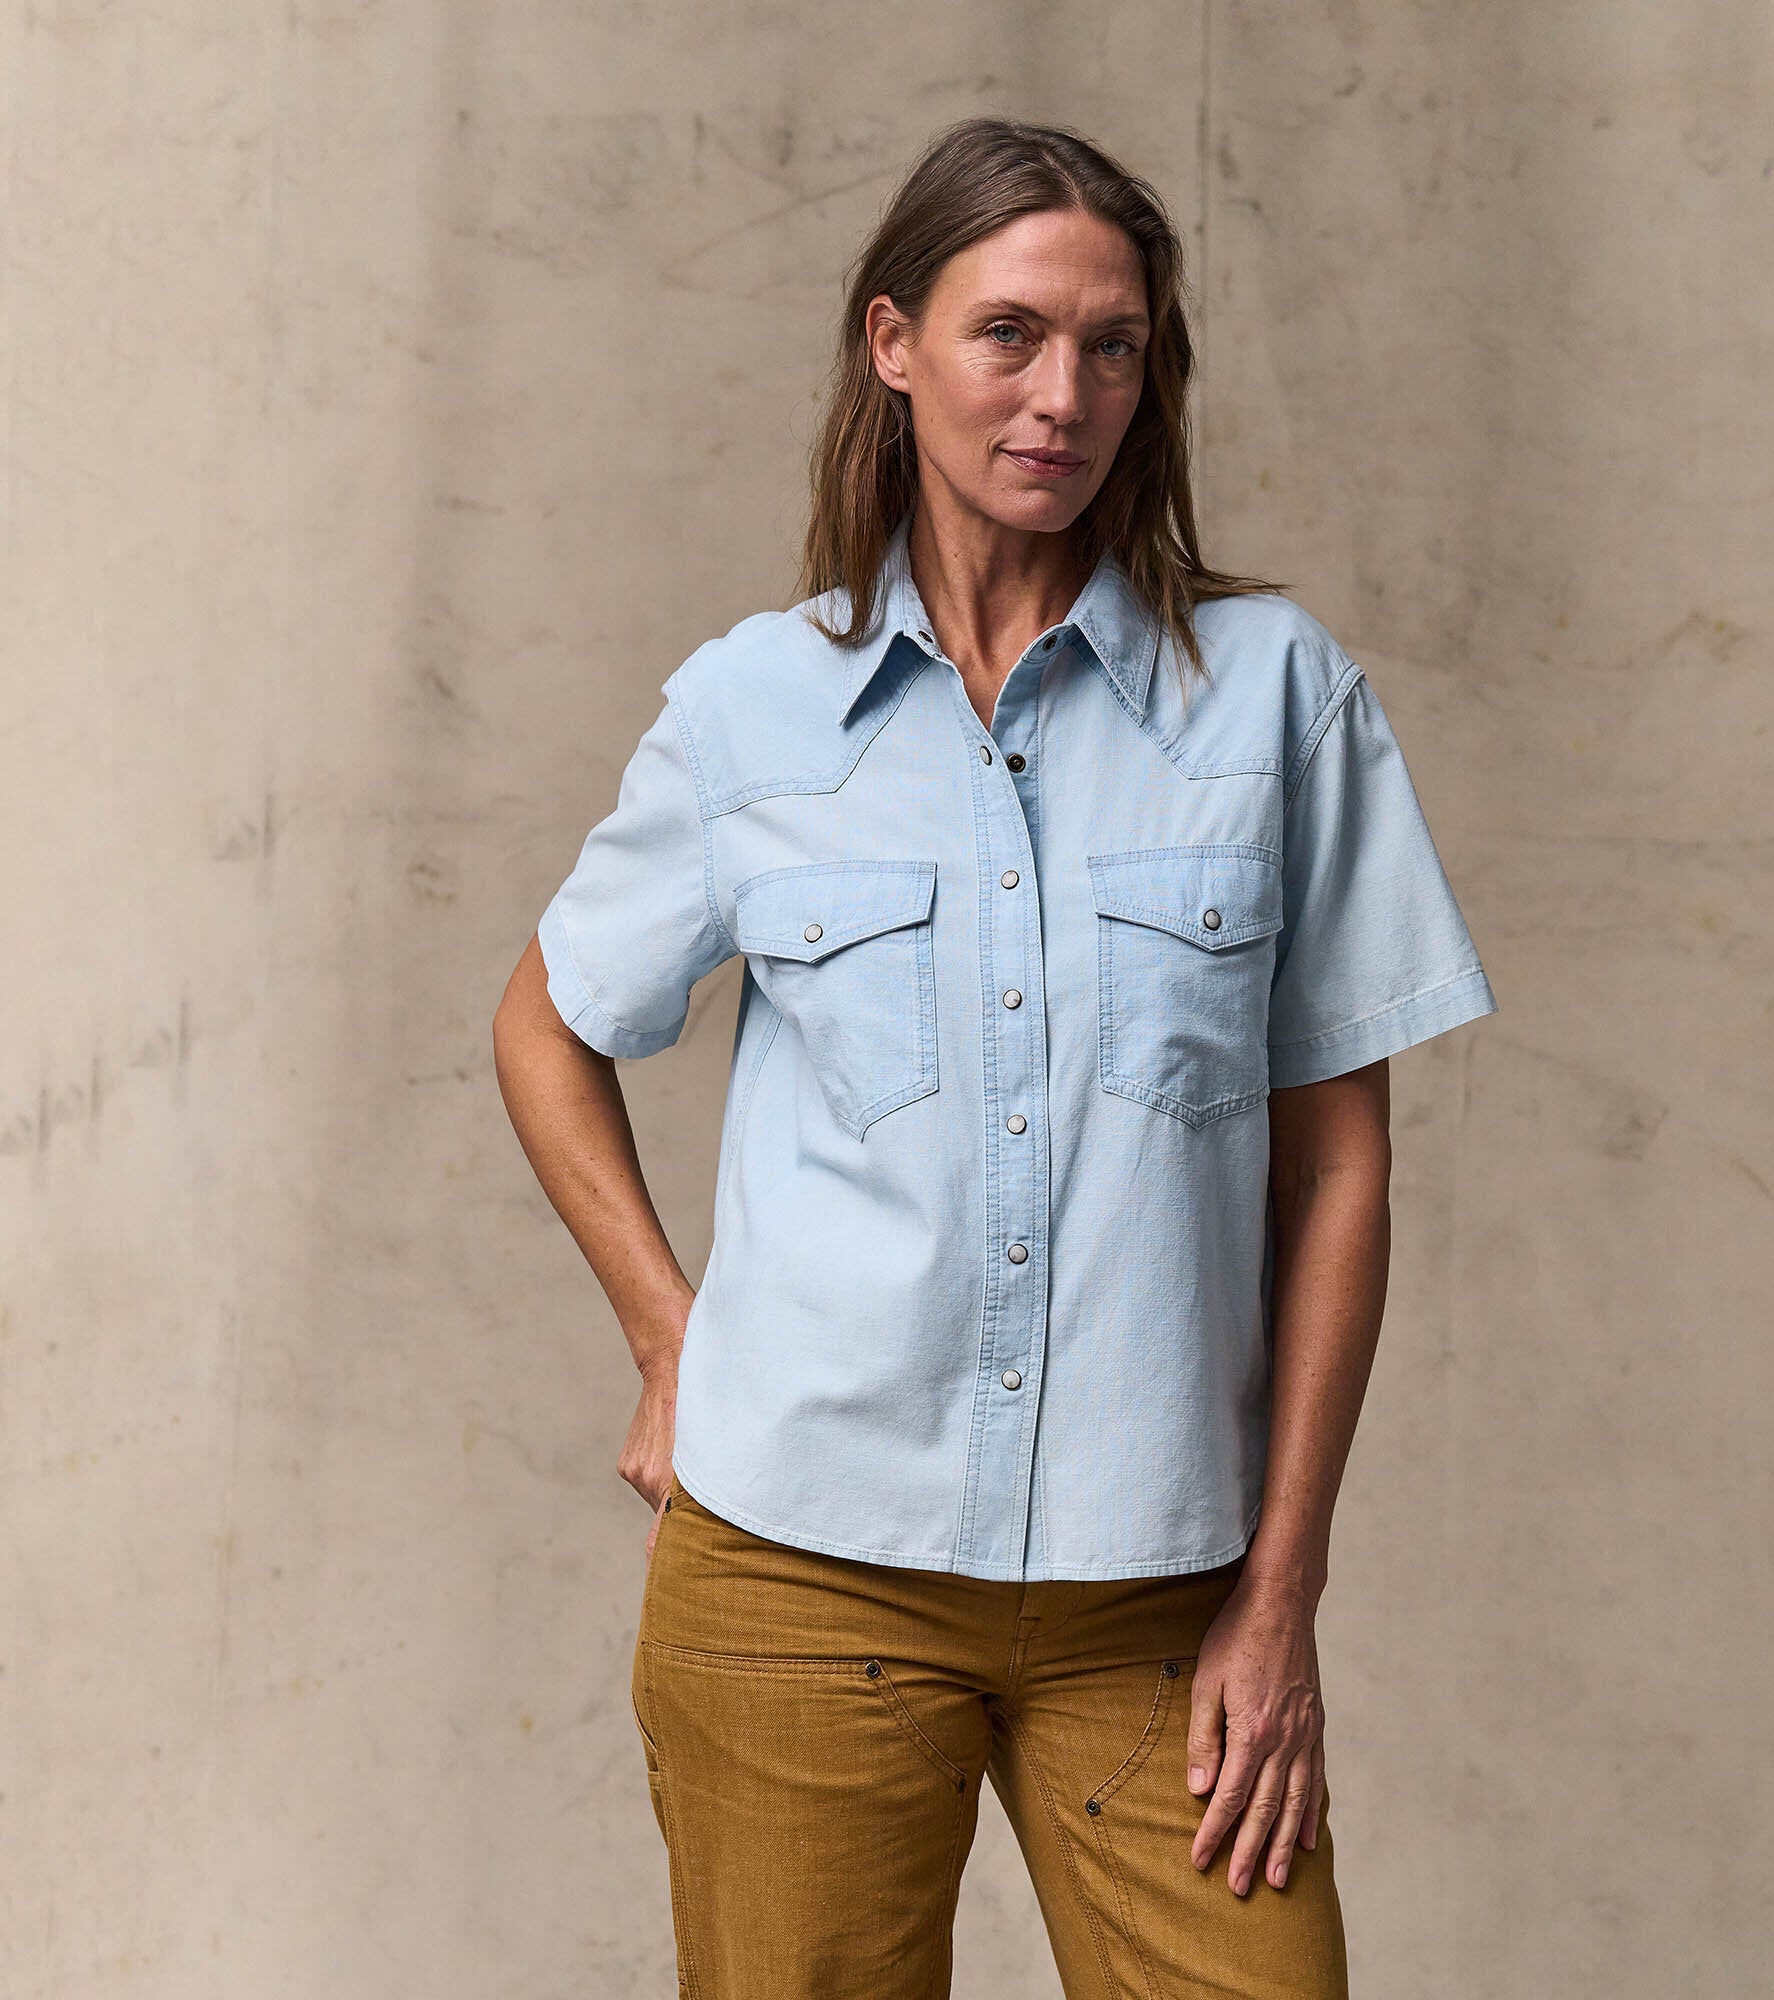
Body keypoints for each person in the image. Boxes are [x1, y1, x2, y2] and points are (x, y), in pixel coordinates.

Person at [492, 114, 1496, 2000]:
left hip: (1161, 1594)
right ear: (894, 343)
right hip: (802, 1575)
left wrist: (1283, 1591)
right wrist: (670, 1339)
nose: (1063, 396)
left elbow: (1338, 1170)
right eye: (1009, 335)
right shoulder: (752, 708)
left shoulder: (1275, 698)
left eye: (1113, 346)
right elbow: (546, 1022)